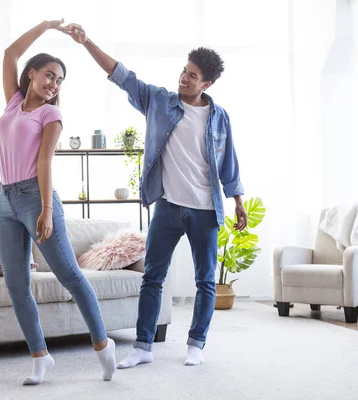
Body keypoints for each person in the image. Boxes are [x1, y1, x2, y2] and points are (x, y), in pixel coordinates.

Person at [60, 23, 248, 368]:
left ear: (206, 83)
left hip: (206, 211)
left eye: (192, 75)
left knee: (205, 281)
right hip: (168, 207)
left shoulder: (219, 118)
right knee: (153, 277)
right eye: (184, 70)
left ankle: (196, 344)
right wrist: (87, 41)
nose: (184, 78)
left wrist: (237, 200)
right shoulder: (160, 102)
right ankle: (143, 346)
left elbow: (229, 161)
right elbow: (122, 75)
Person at [0, 19, 116, 385]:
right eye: (49, 75)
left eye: (60, 80)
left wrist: (46, 210)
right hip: (6, 200)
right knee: (16, 285)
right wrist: (46, 26)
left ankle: (102, 344)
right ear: (31, 74)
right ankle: (40, 357)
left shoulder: (52, 114)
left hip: (36, 198)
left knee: (69, 276)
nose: (54, 84)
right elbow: (9, 53)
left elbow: (44, 162)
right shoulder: (14, 103)